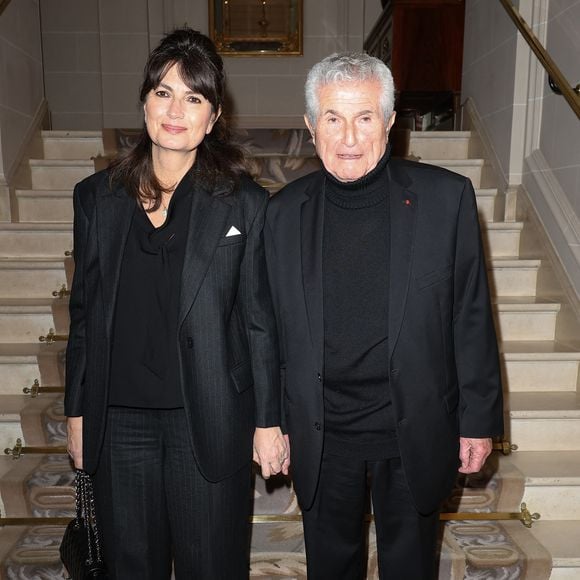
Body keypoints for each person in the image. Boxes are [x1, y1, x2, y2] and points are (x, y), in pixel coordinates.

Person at [264, 52, 504, 579]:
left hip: (414, 426)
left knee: (411, 567)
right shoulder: (280, 215)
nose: (349, 136)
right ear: (310, 126)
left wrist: (478, 420)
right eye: (332, 118)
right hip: (323, 434)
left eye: (365, 117)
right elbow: (268, 331)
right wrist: (269, 422)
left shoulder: (447, 199)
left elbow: (470, 315)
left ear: (391, 123)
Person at [65, 28, 288, 580]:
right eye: (163, 92)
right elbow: (85, 314)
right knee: (130, 566)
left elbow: (260, 320)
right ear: (144, 102)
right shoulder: (97, 198)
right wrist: (76, 411)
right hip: (118, 422)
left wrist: (268, 421)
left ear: (212, 118)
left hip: (208, 419)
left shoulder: (245, 203)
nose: (175, 110)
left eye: (193, 97)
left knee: (210, 566)